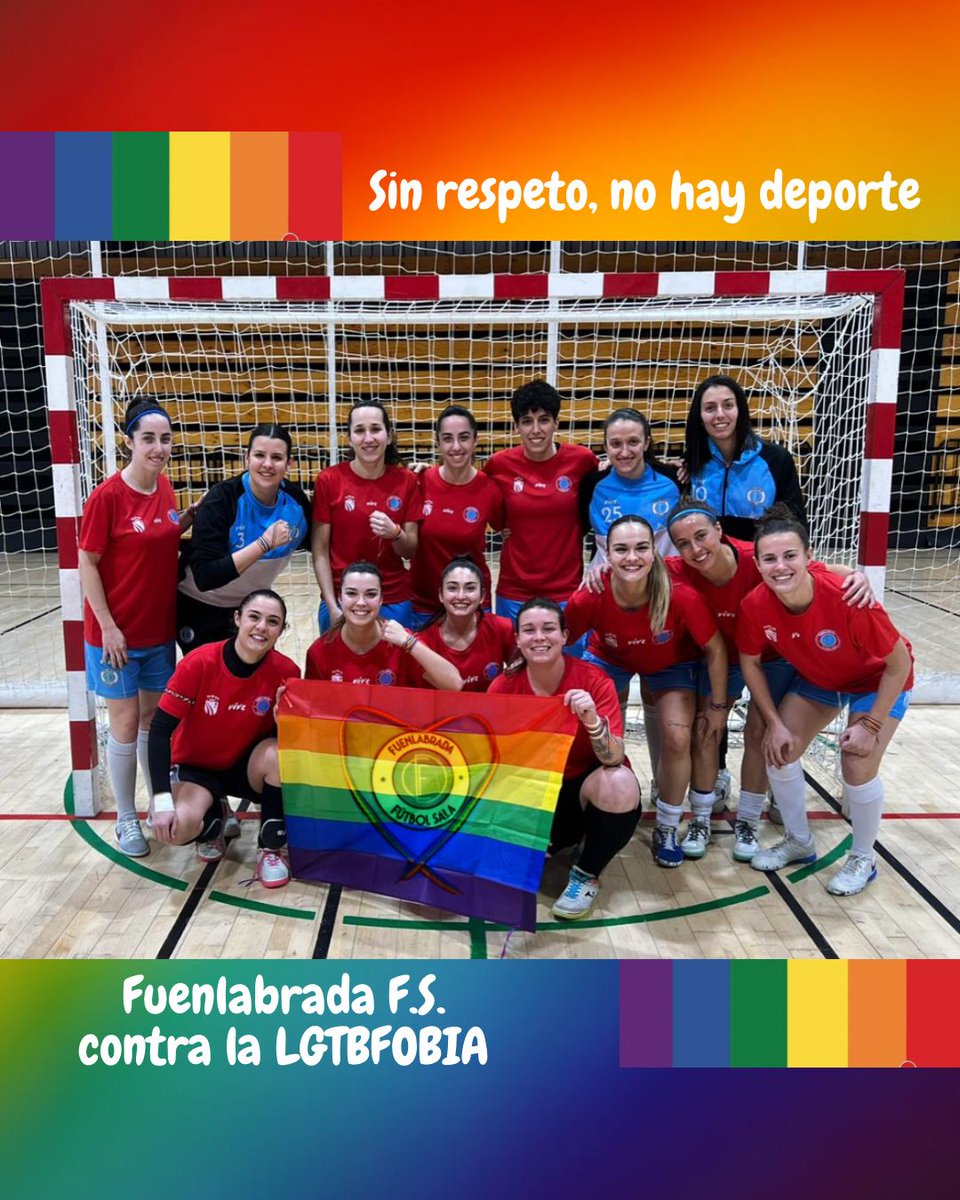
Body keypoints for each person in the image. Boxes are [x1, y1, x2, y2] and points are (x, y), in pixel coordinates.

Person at [666, 497, 874, 862]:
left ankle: (747, 819)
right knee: (706, 728)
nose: (695, 549)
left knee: (760, 731)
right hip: (720, 660)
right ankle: (699, 817)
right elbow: (629, 568)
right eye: (684, 543)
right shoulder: (675, 571)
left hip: (773, 657)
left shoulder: (757, 558)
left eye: (701, 536)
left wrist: (856, 576)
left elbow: (823, 570)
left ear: (719, 531)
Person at [737, 504, 914, 896]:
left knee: (857, 760)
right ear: (759, 564)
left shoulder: (846, 595)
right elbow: (749, 663)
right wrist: (775, 722)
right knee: (779, 748)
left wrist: (870, 725)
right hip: (822, 678)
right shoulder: (754, 605)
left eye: (789, 556)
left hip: (878, 679)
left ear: (809, 558)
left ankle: (863, 856)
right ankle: (799, 841)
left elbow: (898, 665)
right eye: (769, 558)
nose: (780, 566)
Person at [564, 515, 728, 868]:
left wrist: (717, 704)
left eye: (641, 548)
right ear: (606, 553)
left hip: (671, 663)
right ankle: (590, 816)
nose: (632, 557)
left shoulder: (680, 594)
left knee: (677, 737)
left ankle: (667, 826)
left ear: (655, 551)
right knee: (591, 734)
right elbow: (558, 645)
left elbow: (715, 647)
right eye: (621, 549)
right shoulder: (591, 595)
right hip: (608, 657)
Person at [78, 399, 193, 859]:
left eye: (165, 439)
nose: (158, 448)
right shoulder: (107, 497)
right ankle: (126, 818)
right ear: (128, 441)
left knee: (152, 721)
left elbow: (158, 539)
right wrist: (108, 626)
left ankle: (151, 806)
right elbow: (87, 562)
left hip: (158, 634)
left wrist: (186, 520)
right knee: (124, 725)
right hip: (115, 638)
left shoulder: (165, 487)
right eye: (148, 438)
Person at [488, 599, 641, 919]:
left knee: (621, 783)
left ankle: (586, 874)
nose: (539, 637)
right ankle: (545, 843)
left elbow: (614, 757)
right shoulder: (504, 686)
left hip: (580, 790)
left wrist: (592, 720)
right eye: (529, 630)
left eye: (548, 629)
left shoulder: (594, 681)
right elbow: (495, 765)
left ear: (565, 636)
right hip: (535, 793)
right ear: (517, 639)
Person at [147, 589, 300, 888]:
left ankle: (270, 849)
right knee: (175, 828)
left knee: (280, 753)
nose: (261, 627)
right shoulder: (198, 662)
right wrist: (161, 798)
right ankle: (212, 820)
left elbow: (292, 741)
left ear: (281, 630)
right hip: (197, 769)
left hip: (245, 767)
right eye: (254, 617)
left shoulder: (287, 672)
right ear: (237, 618)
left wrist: (286, 723)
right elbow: (159, 730)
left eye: (273, 621)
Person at [177, 422, 311, 652]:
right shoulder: (222, 499)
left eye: (277, 457)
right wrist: (263, 544)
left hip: (248, 608)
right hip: (200, 605)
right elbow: (205, 577)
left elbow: (321, 545)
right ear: (246, 457)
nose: (267, 464)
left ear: (289, 464)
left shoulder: (296, 502)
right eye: (260, 455)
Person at [484, 380, 597, 621]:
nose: (536, 430)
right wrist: (424, 472)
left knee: (569, 660)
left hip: (566, 590)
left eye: (544, 419)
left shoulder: (582, 460)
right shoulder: (498, 464)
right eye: (527, 421)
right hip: (514, 591)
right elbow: (468, 487)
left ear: (556, 422)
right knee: (516, 660)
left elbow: (609, 486)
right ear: (516, 426)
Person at [312, 401, 422, 632]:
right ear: (350, 438)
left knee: (396, 668)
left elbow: (410, 550)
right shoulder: (329, 480)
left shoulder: (407, 480)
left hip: (393, 597)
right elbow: (320, 551)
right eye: (360, 430)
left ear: (389, 435)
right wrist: (333, 606)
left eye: (375, 429)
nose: (368, 438)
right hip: (343, 599)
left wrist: (395, 534)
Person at [409, 405, 504, 628]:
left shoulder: (490, 489)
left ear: (475, 440)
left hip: (472, 603)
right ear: (438, 442)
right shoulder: (418, 481)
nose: (456, 447)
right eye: (447, 439)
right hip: (425, 603)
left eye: (464, 438)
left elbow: (506, 529)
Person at [681, 374, 806, 542]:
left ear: (740, 410)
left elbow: (796, 525)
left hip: (759, 563)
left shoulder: (776, 459)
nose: (720, 414)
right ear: (700, 418)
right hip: (707, 563)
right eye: (710, 408)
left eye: (728, 405)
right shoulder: (690, 463)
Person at [305, 562, 463, 690]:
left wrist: (409, 643)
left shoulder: (401, 641)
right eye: (352, 593)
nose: (361, 602)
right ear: (340, 598)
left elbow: (454, 684)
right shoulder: (320, 651)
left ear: (381, 600)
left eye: (371, 594)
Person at [581, 407, 681, 574]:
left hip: (664, 588)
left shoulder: (675, 481)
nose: (625, 452)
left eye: (633, 442)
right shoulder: (593, 485)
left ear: (646, 443)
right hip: (610, 588)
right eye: (616, 444)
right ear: (605, 446)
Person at [416, 557, 516, 691]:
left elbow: (520, 676)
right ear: (441, 595)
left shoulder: (502, 628)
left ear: (482, 596)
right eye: (452, 588)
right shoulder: (424, 641)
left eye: (470, 588)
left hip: (489, 710)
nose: (461, 596)